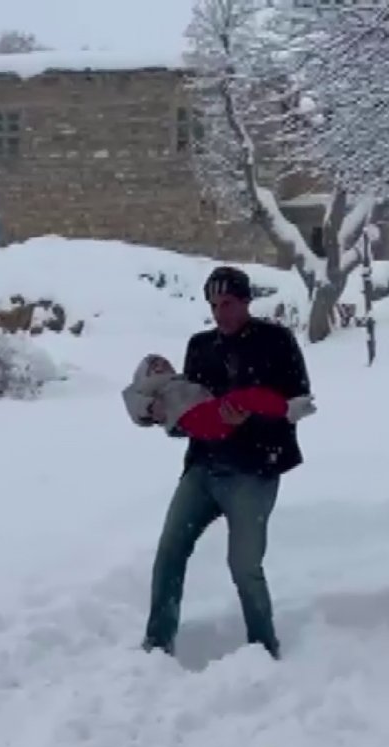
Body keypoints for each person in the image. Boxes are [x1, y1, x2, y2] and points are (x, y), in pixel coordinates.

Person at [141, 265, 311, 660]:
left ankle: (263, 649)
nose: (220, 313)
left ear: (246, 301)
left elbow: (297, 405)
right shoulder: (201, 346)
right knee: (169, 552)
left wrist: (252, 419)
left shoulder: (276, 341)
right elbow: (191, 409)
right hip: (203, 468)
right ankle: (156, 646)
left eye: (228, 303)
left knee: (244, 565)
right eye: (214, 305)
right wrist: (162, 414)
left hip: (254, 471)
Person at [121, 353, 317, 440]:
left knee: (244, 402)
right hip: (189, 417)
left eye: (163, 360)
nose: (161, 365)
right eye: (153, 364)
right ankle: (287, 409)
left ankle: (283, 411)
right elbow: (129, 397)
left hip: (204, 414)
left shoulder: (181, 379)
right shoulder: (151, 385)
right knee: (245, 399)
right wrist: (148, 407)